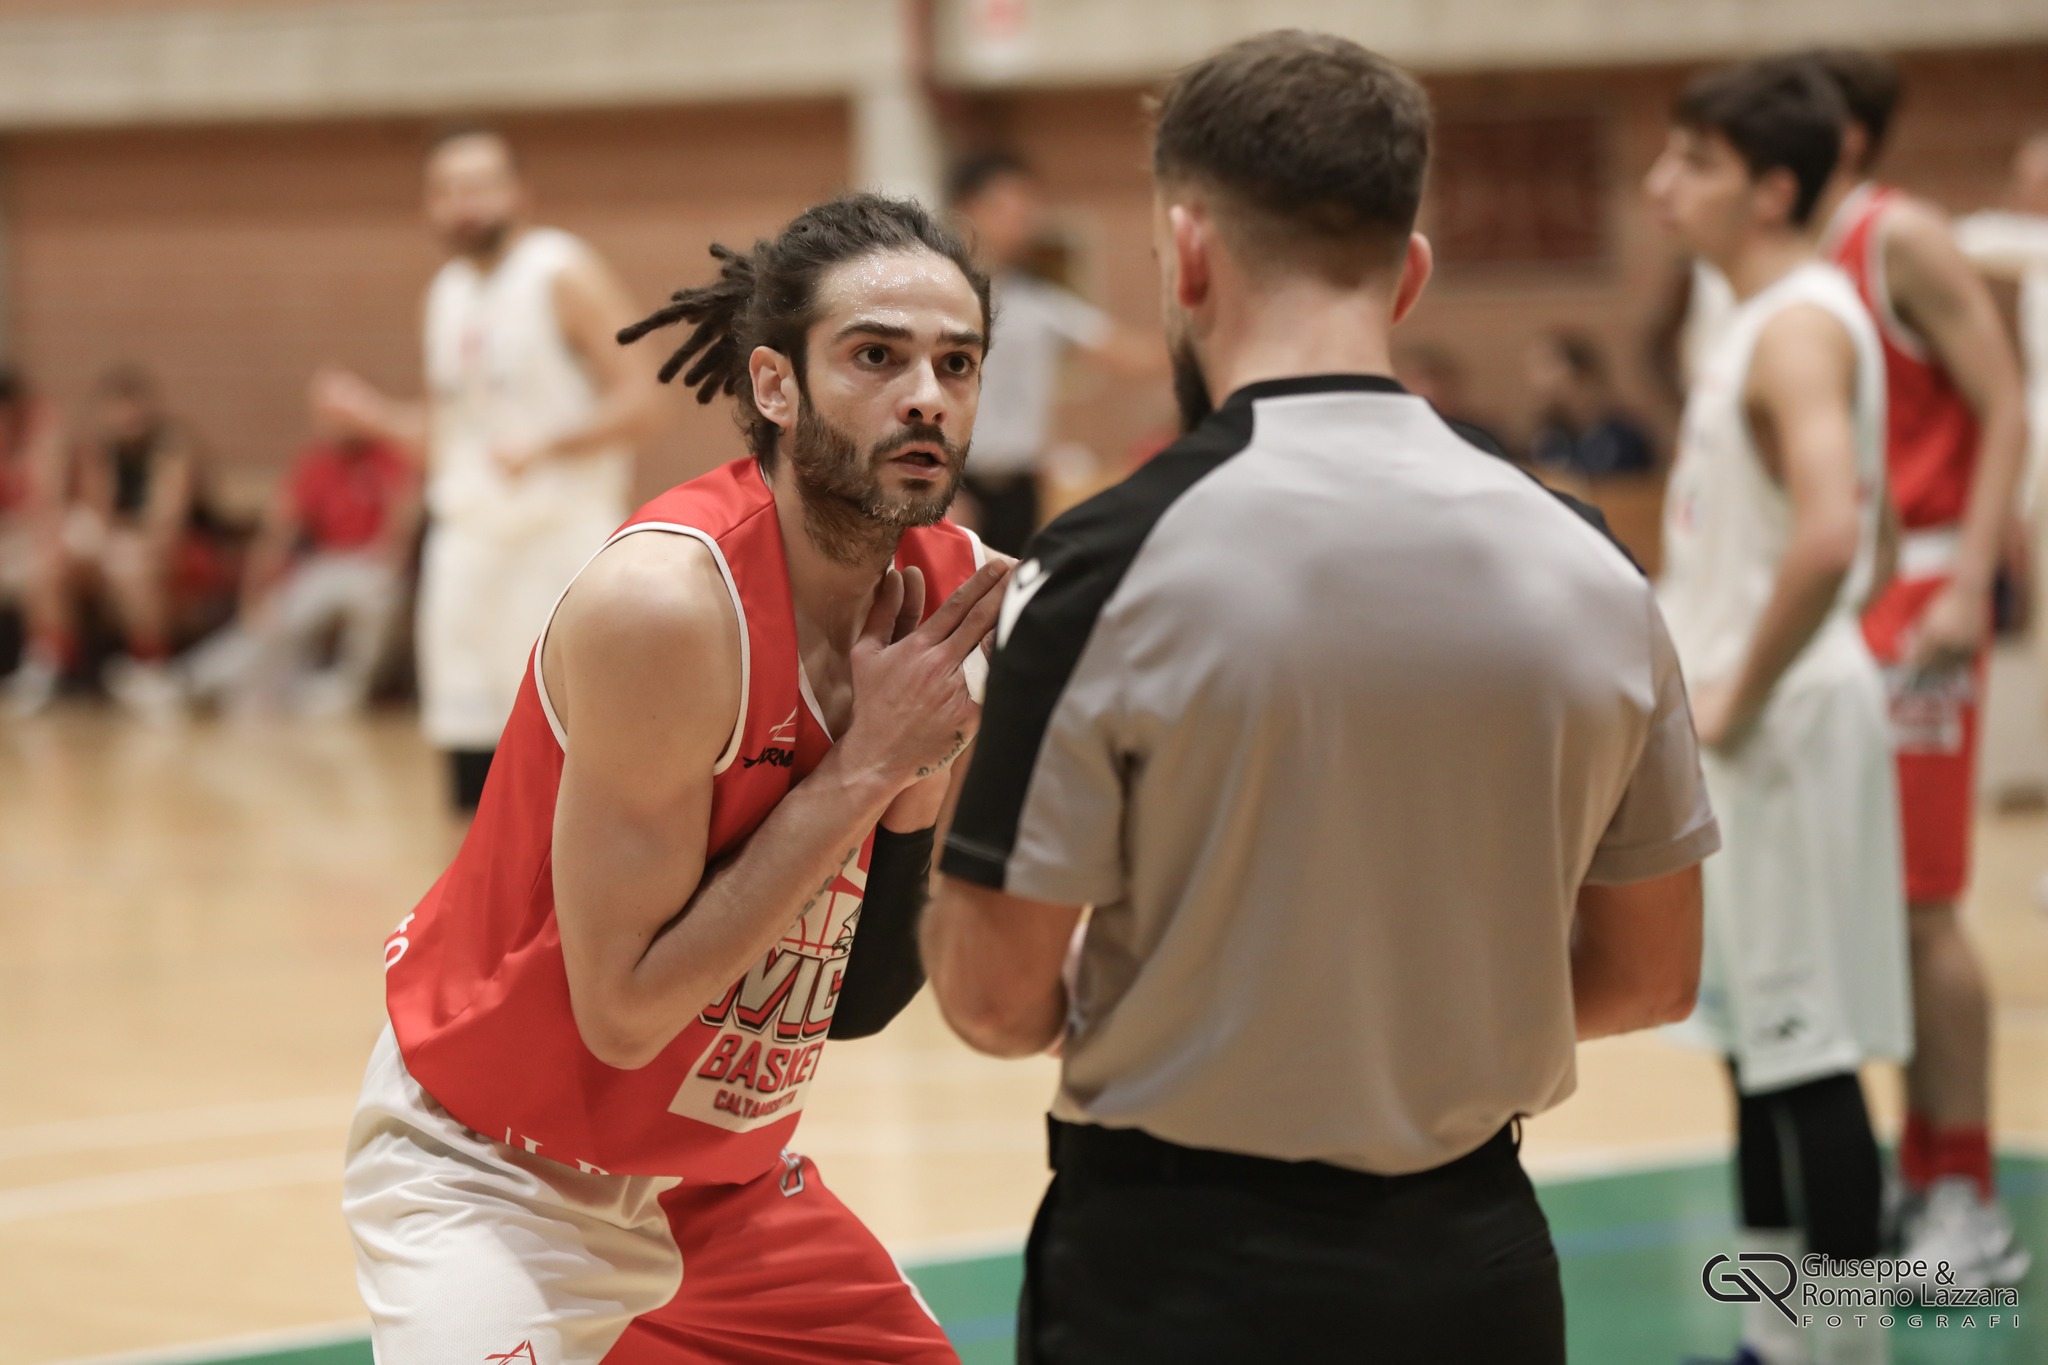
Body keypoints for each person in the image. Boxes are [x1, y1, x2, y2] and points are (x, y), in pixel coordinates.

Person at [922, 32, 1715, 1364]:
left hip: (1180, 1278)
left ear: (1186, 253)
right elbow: (1649, 974)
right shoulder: (1591, 563)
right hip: (1480, 1269)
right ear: (1411, 272)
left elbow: (996, 1001)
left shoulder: (1102, 567)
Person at [343, 193, 1009, 1364]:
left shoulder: (952, 591)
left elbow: (859, 999)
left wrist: (906, 780)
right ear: (774, 386)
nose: (925, 396)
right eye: (875, 356)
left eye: (955, 363)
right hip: (499, 1172)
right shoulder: (665, 605)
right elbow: (624, 1014)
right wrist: (867, 764)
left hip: (717, 1187)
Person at [1647, 57, 1911, 1365]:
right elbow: (1875, 520)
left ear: (1771, 188)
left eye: (1691, 161)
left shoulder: (1800, 325)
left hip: (1781, 730)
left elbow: (1833, 534)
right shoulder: (1750, 320)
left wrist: (1736, 694)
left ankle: (1846, 1347)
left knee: (1808, 1057)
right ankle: (1774, 1334)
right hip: (1755, 729)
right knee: (1754, 1049)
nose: (1660, 183)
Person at [1800, 49, 2034, 1289]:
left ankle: (1967, 1196)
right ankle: (1919, 1160)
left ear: (1835, 136)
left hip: (1924, 593)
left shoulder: (1899, 237)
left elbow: (2003, 402)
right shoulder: (1794, 258)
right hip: (1847, 601)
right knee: (1862, 907)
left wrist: (1969, 577)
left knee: (1923, 905)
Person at [319, 125, 662, 810]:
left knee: (570, 759)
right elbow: (445, 442)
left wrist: (548, 443)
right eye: (447, 190)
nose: (463, 204)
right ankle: (478, 883)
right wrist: (373, 417)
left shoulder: (561, 272)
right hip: (469, 549)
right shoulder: (442, 295)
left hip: (558, 542)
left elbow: (644, 401)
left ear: (518, 192)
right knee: (469, 756)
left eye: (479, 186)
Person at [947, 150, 1164, 555]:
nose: (1023, 221)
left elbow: (1133, 355)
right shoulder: (942, 300)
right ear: (969, 208)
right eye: (1009, 207)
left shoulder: (1040, 304)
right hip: (958, 486)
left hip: (1021, 488)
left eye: (1028, 208)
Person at [182, 376, 418, 716]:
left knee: (376, 599)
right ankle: (192, 681)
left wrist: (389, 562)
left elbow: (402, 520)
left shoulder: (389, 456)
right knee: (274, 618)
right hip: (327, 565)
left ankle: (348, 692)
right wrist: (255, 589)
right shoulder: (315, 462)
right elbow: (277, 531)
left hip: (374, 564)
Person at [9, 365, 197, 720]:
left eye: (133, 408)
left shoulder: (171, 448)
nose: (127, 418)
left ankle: (150, 667)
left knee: (132, 567)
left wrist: (125, 542)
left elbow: (166, 521)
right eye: (118, 409)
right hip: (114, 544)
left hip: (174, 549)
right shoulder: (99, 450)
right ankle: (49, 663)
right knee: (49, 562)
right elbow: (99, 511)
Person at [0, 365, 65, 679]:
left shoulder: (41, 433)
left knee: (40, 567)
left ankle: (48, 660)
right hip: (11, 533)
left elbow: (48, 502)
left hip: (52, 527)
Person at [1524, 330, 1659, 478]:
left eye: (1547, 366)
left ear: (1582, 372)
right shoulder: (1548, 437)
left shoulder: (1623, 437)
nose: (1538, 380)